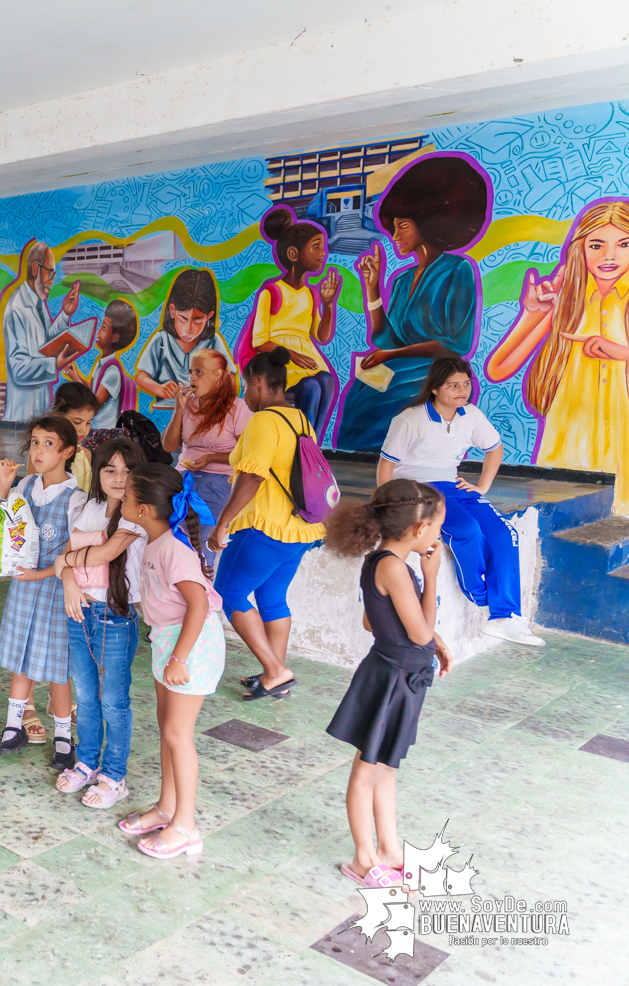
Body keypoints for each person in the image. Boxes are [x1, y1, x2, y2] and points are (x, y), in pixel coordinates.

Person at [322, 480, 453, 886]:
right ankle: (364, 858)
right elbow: (417, 633)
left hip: (398, 673)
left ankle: (390, 849)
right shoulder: (396, 567)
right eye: (436, 528)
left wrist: (437, 642)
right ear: (418, 530)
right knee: (366, 771)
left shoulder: (383, 561)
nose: (437, 537)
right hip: (392, 677)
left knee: (385, 768)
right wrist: (432, 578)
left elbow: (374, 620)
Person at [378, 359, 541, 645]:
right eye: (452, 385)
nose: (461, 391)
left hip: (453, 484)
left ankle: (505, 618)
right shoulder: (410, 419)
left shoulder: (471, 415)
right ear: (435, 388)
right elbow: (385, 468)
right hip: (418, 489)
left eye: (466, 384)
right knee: (466, 529)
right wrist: (391, 507)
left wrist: (481, 486)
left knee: (505, 533)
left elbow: (495, 448)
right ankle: (481, 595)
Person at [336, 153, 491, 451]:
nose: (394, 235)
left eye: (402, 226)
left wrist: (389, 356)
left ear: (430, 224)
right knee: (360, 397)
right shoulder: (402, 280)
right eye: (393, 227)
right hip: (399, 368)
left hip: (434, 372)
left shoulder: (459, 270)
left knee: (386, 404)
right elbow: (386, 338)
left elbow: (456, 344)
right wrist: (372, 289)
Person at [487, 198, 629, 514]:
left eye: (624, 243)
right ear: (580, 248)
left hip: (623, 439)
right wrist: (531, 314)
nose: (609, 255)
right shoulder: (568, 301)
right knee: (561, 522)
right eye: (596, 244)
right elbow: (498, 368)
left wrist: (616, 351)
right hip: (569, 440)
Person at [117, 464, 225, 860]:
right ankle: (166, 807)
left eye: (127, 496)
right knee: (167, 728)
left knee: (179, 734)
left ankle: (186, 827)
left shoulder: (174, 549)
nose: (121, 498)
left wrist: (179, 657)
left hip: (191, 646)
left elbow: (198, 603)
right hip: (171, 641)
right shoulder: (158, 541)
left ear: (144, 510)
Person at [208, 347, 325, 701]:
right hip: (299, 530)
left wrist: (222, 524)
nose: (246, 394)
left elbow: (251, 478)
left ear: (258, 382)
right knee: (272, 597)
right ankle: (277, 676)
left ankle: (275, 671)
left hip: (264, 529)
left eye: (246, 386)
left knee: (229, 593)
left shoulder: (263, 420)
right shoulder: (300, 419)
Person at [52, 438, 148, 809]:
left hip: (115, 618)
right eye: (110, 469)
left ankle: (114, 775)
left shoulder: (135, 514)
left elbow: (107, 553)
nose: (119, 477)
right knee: (86, 696)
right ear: (97, 472)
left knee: (113, 701)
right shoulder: (84, 506)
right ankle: (87, 762)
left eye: (127, 471)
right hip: (80, 612)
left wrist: (69, 563)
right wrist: (70, 582)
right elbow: (63, 561)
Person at [0, 414, 84, 763]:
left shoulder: (75, 499)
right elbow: (4, 527)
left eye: (48, 443)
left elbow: (72, 554)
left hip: (55, 590)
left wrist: (41, 573)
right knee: (22, 660)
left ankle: (64, 735)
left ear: (67, 452)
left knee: (58, 667)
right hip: (25, 588)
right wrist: (4, 485)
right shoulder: (26, 486)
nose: (38, 450)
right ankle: (13, 725)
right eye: (34, 442)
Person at [240, 206, 340, 437]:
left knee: (327, 382)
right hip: (278, 365)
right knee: (311, 388)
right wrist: (292, 355)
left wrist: (328, 304)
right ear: (294, 254)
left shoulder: (310, 294)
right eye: (315, 246)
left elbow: (321, 336)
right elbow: (260, 342)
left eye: (322, 246)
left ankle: (311, 444)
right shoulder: (272, 292)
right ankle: (298, 442)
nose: (323, 252)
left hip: (306, 362)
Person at [163, 348, 251, 568]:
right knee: (172, 538)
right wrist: (179, 410)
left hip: (219, 483)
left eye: (199, 372)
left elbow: (246, 455)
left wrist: (211, 457)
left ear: (218, 376)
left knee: (201, 545)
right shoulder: (189, 403)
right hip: (181, 479)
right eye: (191, 371)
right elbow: (168, 446)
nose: (192, 378)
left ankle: (203, 596)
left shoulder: (237, 407)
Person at [1, 242, 83, 421]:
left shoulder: (38, 303)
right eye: (51, 273)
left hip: (39, 414)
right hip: (21, 417)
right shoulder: (17, 307)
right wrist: (54, 364)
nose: (52, 281)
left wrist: (64, 314)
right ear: (36, 268)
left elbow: (47, 344)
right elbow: (19, 369)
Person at [135, 268, 229, 403]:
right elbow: (140, 377)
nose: (189, 329)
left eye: (197, 321)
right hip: (168, 415)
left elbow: (230, 378)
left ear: (209, 317)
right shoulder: (161, 340)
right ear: (172, 311)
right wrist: (159, 388)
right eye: (183, 319)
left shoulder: (213, 342)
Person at [64, 299, 139, 429]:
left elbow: (95, 404)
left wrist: (75, 378)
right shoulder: (101, 364)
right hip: (95, 428)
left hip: (105, 431)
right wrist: (75, 375)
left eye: (104, 327)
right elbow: (91, 390)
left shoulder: (113, 372)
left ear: (115, 337)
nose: (98, 331)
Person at [53, 382, 99, 492]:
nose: (83, 429)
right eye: (77, 422)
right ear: (57, 416)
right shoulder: (43, 453)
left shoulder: (85, 455)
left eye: (88, 423)